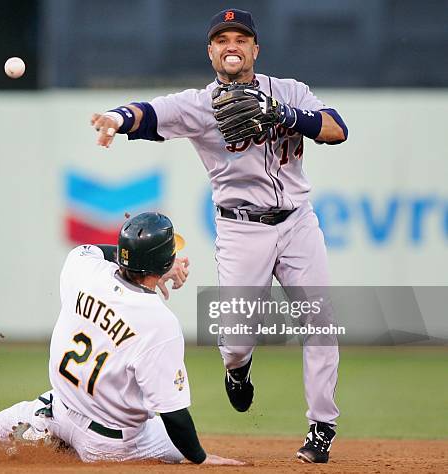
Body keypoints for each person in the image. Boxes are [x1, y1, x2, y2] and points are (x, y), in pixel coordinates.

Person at [90, 9, 348, 464]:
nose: (232, 44)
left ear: (255, 49)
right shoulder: (200, 103)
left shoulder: (290, 91)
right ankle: (237, 371)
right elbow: (149, 115)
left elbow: (336, 129)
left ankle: (321, 427)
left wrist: (284, 114)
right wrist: (115, 117)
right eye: (222, 38)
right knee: (236, 340)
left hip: (298, 221)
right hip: (241, 227)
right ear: (211, 51)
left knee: (320, 322)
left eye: (241, 38)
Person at [0, 212, 244, 466]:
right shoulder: (160, 323)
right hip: (110, 445)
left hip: (54, 410)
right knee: (180, 449)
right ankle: (66, 449)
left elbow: (91, 252)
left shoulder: (84, 271)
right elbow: (173, 414)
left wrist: (140, 261)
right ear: (162, 264)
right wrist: (200, 458)